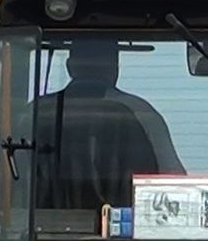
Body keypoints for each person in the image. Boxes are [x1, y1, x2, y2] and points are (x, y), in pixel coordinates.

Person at [33, 40, 185, 210]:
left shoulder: (32, 113)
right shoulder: (142, 113)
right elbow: (174, 184)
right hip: (121, 232)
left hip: (35, 230)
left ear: (70, 67)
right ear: (115, 68)